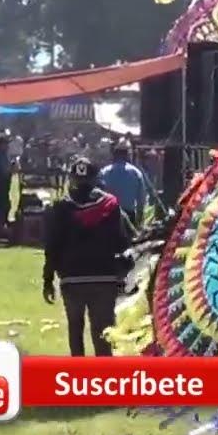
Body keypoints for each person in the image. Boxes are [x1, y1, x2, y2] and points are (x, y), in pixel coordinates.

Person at [42, 158, 133, 356]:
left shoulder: (61, 208)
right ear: (95, 179)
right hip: (104, 277)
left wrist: (48, 279)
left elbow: (52, 246)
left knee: (75, 330)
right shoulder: (110, 205)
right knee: (103, 334)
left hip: (71, 279)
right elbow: (123, 242)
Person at [97, 138, 148, 226]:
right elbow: (141, 199)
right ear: (128, 154)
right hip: (128, 216)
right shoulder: (136, 173)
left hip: (108, 216)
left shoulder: (104, 172)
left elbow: (97, 196)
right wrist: (139, 220)